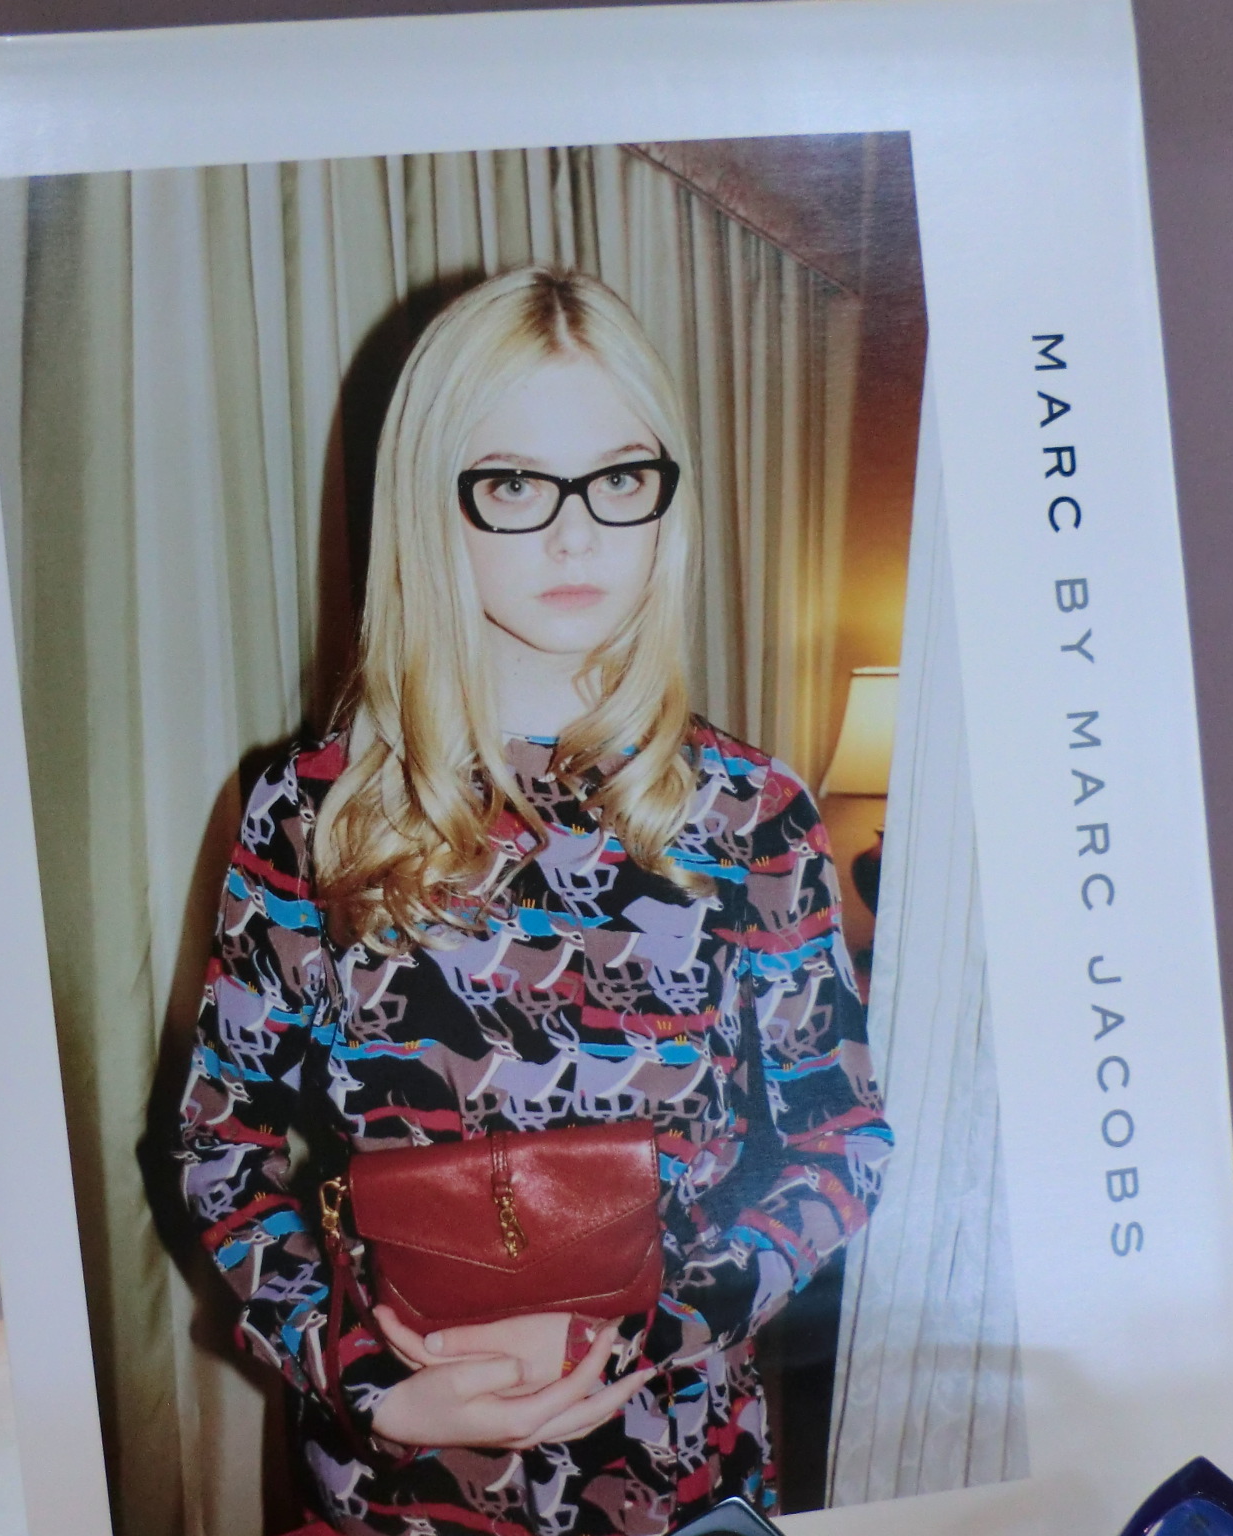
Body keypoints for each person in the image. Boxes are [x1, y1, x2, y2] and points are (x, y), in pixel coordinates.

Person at [173, 266, 893, 1534]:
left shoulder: (749, 813)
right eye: (512, 484)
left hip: (672, 1475)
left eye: (616, 479)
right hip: (399, 1491)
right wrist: (365, 1380)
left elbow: (840, 1144)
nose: (575, 537)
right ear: (431, 502)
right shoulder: (309, 813)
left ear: (665, 497)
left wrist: (651, 1328)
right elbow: (217, 1150)